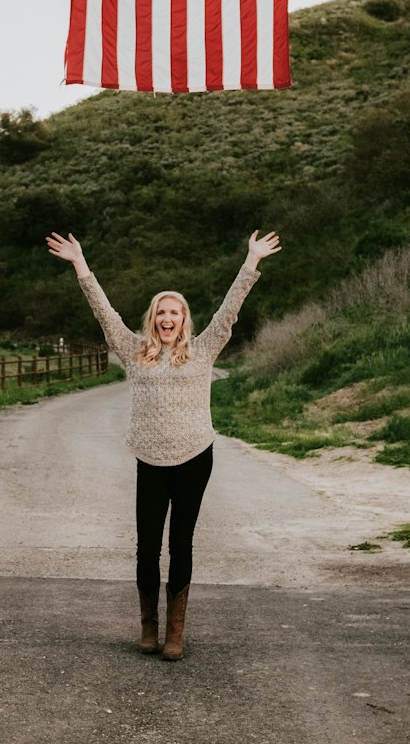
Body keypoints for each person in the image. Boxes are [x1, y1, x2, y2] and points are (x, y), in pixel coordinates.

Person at [46, 229, 281, 661]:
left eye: (174, 312)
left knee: (182, 545)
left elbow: (229, 312)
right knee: (147, 546)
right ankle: (148, 629)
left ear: (184, 319)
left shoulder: (204, 349)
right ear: (152, 319)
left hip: (195, 457)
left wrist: (251, 262)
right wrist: (81, 264)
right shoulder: (134, 351)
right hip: (149, 459)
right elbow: (104, 312)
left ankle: (176, 632)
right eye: (161, 313)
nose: (167, 319)